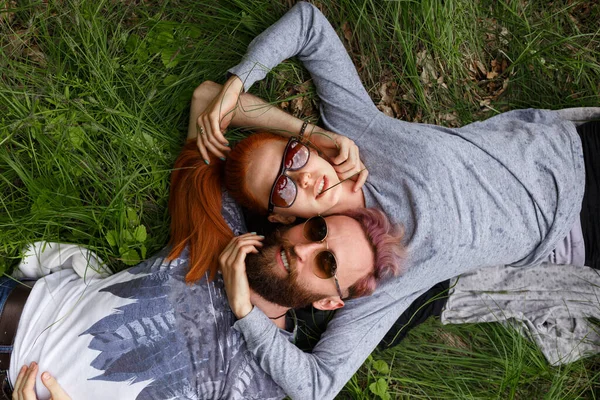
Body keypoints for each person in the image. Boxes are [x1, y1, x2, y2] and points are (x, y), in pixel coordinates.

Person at [184, 2, 600, 399]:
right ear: (281, 217)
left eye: (293, 156)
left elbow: (300, 30)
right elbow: (318, 385)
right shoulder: (372, 276)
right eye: (285, 187)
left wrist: (284, 115)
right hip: (581, 232)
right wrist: (245, 314)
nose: (305, 177)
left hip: (572, 149)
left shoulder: (356, 134)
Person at [1, 188, 401, 399]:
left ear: (329, 302)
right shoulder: (222, 230)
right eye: (316, 230)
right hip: (15, 314)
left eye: (326, 263)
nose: (303, 249)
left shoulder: (267, 384)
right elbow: (208, 110)